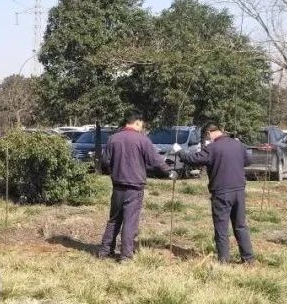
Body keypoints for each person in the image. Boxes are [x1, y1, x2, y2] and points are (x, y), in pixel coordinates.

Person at [98, 111, 172, 263]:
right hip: (134, 188)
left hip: (117, 186)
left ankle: (105, 252)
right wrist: (169, 172)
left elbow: (105, 161)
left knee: (114, 220)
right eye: (142, 124)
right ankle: (126, 256)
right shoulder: (142, 140)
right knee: (130, 221)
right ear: (137, 122)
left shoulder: (113, 138)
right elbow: (156, 160)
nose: (142, 127)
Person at [177, 121, 255, 264]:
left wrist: (180, 152)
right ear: (221, 130)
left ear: (208, 133)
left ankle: (224, 261)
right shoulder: (238, 144)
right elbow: (249, 160)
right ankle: (249, 259)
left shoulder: (212, 148)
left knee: (221, 228)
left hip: (221, 192)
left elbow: (194, 160)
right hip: (239, 190)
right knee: (241, 225)